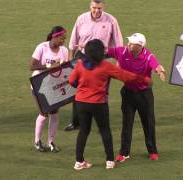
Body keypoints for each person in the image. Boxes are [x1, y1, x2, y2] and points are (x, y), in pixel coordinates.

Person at [69, 39, 151, 170]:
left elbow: (71, 81)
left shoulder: (80, 65)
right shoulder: (106, 66)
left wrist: (82, 87)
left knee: (83, 131)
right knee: (105, 130)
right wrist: (143, 79)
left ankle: (79, 162)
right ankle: (109, 161)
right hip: (98, 103)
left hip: (81, 103)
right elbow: (126, 76)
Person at [65, 0, 123, 131]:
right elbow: (73, 40)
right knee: (78, 89)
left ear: (103, 7)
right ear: (90, 6)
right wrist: (70, 60)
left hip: (102, 58)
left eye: (99, 8)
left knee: (102, 90)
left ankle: (102, 124)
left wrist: (119, 61)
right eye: (94, 8)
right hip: (83, 56)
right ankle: (76, 122)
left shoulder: (111, 20)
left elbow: (119, 43)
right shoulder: (81, 19)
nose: (97, 11)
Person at [107, 33, 166, 162]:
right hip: (128, 93)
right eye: (129, 42)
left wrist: (160, 71)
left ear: (140, 46)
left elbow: (156, 65)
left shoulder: (148, 55)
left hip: (144, 95)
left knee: (148, 123)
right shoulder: (122, 51)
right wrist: (88, 47)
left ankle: (152, 151)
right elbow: (107, 51)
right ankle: (124, 152)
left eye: (132, 43)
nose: (128, 44)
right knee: (127, 123)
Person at [30, 26, 68, 152]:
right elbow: (32, 66)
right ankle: (37, 141)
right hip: (39, 85)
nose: (63, 41)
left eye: (65, 39)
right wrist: (50, 66)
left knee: (54, 113)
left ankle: (51, 141)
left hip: (55, 86)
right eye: (61, 39)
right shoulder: (42, 47)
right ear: (54, 37)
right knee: (44, 112)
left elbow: (65, 68)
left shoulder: (64, 50)